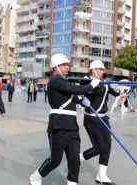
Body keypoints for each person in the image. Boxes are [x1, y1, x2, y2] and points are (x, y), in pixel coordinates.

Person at [29, 53, 100, 185]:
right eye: (64, 65)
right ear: (56, 67)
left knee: (74, 159)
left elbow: (73, 96)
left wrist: (81, 101)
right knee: (55, 160)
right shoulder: (55, 80)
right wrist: (92, 85)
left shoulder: (64, 82)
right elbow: (75, 89)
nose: (68, 67)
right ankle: (36, 176)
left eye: (67, 65)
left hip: (72, 125)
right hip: (59, 125)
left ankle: (72, 182)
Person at [79, 60, 120, 185]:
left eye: (103, 69)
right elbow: (80, 96)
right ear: (93, 70)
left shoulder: (105, 83)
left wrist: (118, 88)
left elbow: (116, 93)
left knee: (107, 146)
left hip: (104, 118)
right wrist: (83, 100)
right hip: (91, 118)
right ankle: (77, 159)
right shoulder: (86, 81)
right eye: (100, 69)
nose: (103, 71)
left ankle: (101, 176)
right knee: (98, 147)